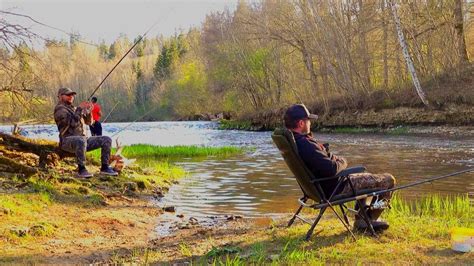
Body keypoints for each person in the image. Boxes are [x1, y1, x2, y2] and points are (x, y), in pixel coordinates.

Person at [284, 103, 396, 232]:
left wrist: (331, 157)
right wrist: (343, 161)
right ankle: (368, 220)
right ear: (301, 123)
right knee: (388, 180)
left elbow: (324, 161)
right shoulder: (306, 145)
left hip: (322, 186)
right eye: (308, 120)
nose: (310, 123)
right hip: (336, 187)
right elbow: (332, 169)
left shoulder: (296, 141)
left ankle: (362, 218)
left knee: (367, 176)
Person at [54, 87, 118, 178]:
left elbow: (89, 122)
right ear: (60, 96)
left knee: (106, 139)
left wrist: (88, 112)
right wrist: (80, 109)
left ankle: (105, 167)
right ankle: (81, 169)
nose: (71, 96)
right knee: (81, 140)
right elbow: (71, 123)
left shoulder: (74, 109)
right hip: (66, 142)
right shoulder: (59, 109)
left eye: (72, 95)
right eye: (68, 95)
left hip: (83, 141)